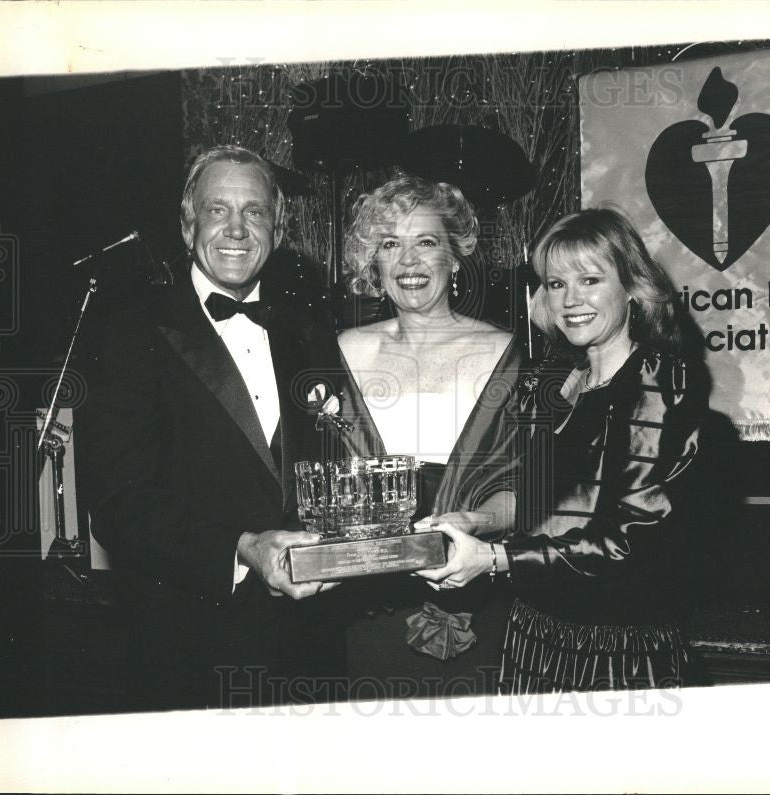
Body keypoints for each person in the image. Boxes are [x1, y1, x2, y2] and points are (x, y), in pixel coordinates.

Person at [80, 145, 345, 711]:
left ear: (277, 226)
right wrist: (244, 548)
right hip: (190, 644)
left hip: (311, 645)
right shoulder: (129, 334)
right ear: (186, 223)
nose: (236, 228)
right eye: (217, 209)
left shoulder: (311, 335)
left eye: (254, 211)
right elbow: (117, 504)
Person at [418, 206, 709, 693]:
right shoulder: (563, 380)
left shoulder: (656, 379)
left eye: (590, 279)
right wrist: (474, 523)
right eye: (556, 284)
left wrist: (493, 560)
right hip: (535, 633)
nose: (571, 299)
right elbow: (539, 501)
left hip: (614, 649)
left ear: (632, 288)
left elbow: (622, 539)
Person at [335, 175, 526, 698]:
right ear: (374, 262)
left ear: (456, 256)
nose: (409, 261)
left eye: (426, 242)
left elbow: (539, 492)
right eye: (390, 244)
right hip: (370, 603)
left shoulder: (507, 354)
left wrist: (475, 522)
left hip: (478, 592)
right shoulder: (340, 351)